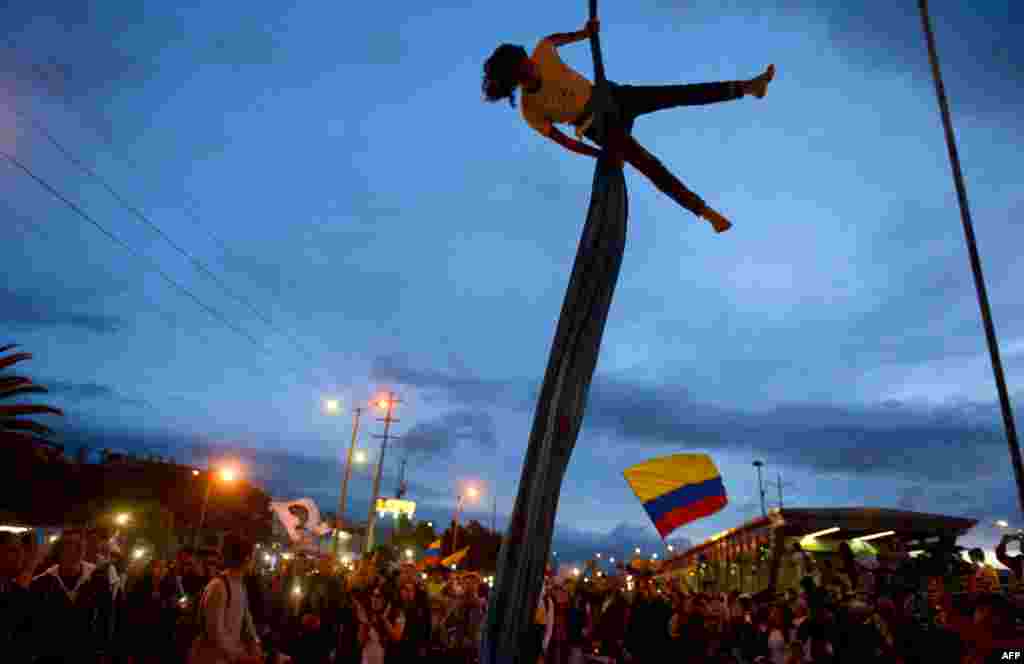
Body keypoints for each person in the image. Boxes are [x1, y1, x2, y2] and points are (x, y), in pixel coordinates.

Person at [482, 19, 775, 234]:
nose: (531, 67)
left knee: (676, 94)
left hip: (610, 96)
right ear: (516, 80)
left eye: (527, 61)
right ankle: (706, 213)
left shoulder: (542, 51)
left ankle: (748, 87)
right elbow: (566, 142)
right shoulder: (530, 111)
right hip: (598, 127)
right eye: (524, 70)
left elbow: (561, 38)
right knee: (648, 165)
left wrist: (587, 33)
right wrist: (601, 156)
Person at [28, 528, 116, 663]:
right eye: (68, 545)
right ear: (59, 550)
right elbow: (34, 624)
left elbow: (106, 620)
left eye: (78, 546)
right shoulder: (42, 583)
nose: (73, 550)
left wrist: (102, 653)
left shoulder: (98, 580)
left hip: (87, 656)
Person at [187, 533, 263, 664]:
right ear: (246, 558)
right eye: (253, 557)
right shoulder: (218, 586)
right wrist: (240, 655)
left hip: (227, 658)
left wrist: (255, 643)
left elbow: (247, 619)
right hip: (209, 658)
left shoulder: (240, 585)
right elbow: (215, 632)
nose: (254, 561)